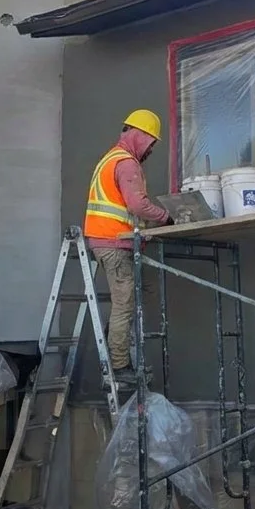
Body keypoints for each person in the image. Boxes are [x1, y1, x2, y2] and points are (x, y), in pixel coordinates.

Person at [83, 109, 173, 387]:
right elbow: (137, 205)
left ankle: (114, 343)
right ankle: (119, 365)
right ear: (140, 135)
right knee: (124, 304)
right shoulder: (126, 163)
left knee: (128, 300)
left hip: (106, 240)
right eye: (151, 143)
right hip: (114, 242)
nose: (151, 150)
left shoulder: (110, 158)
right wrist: (166, 217)